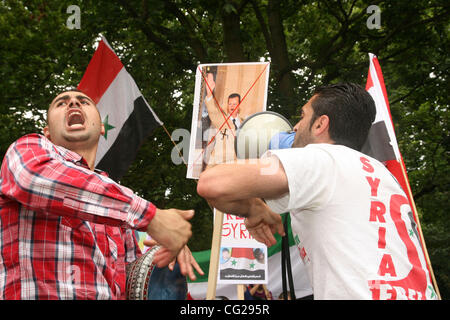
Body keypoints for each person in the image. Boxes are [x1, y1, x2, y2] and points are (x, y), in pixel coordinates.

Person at [197, 83, 437, 300]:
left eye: (302, 116)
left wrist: (251, 207)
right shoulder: (384, 175)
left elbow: (212, 184)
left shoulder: (321, 158)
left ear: (321, 124)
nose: (296, 126)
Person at [0, 89, 202, 299]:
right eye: (61, 103)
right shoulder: (27, 149)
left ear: (102, 128)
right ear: (47, 132)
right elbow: (33, 177)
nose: (73, 103)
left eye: (83, 101)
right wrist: (153, 217)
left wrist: (164, 255)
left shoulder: (119, 207)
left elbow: (136, 286)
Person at [203, 73, 245, 166]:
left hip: (237, 166)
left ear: (239, 105)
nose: (232, 106)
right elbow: (212, 111)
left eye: (234, 104)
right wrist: (209, 93)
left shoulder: (245, 123)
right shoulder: (221, 119)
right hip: (219, 164)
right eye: (230, 104)